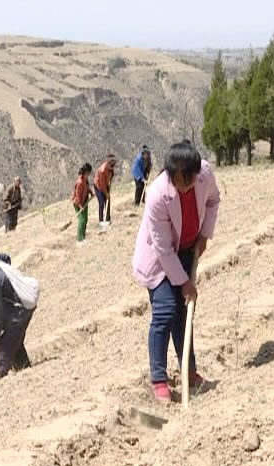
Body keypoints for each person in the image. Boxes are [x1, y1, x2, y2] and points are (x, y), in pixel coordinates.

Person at [132, 140, 221, 404]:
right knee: (165, 312)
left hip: (187, 249)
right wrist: (184, 283)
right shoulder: (158, 194)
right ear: (171, 173)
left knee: (183, 315)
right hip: (159, 259)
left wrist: (205, 235)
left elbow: (214, 201)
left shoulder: (204, 173)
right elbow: (162, 248)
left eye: (190, 177)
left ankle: (189, 372)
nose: (187, 183)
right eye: (181, 178)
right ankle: (159, 380)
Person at [72, 163, 94, 244]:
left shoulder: (85, 180)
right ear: (86, 172)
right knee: (82, 220)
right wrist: (80, 206)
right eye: (89, 173)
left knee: (85, 219)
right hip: (78, 203)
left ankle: (83, 237)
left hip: (85, 200)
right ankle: (79, 239)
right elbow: (77, 195)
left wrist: (91, 193)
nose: (89, 174)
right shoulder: (80, 182)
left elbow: (88, 188)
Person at [94, 155, 116, 228]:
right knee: (102, 203)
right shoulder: (102, 170)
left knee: (108, 201)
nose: (113, 168)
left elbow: (110, 177)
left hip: (105, 184)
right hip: (99, 186)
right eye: (111, 166)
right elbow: (102, 184)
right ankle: (101, 221)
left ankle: (107, 219)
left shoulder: (111, 168)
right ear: (108, 164)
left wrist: (108, 188)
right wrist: (106, 193)